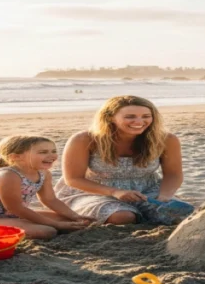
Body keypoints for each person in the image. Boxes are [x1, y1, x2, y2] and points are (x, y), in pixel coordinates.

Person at [54, 95, 193, 225]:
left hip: (147, 191)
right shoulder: (84, 139)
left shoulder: (167, 139)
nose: (139, 122)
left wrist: (164, 196)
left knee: (172, 217)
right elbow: (73, 179)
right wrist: (115, 192)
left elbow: (173, 174)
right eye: (130, 116)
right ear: (110, 118)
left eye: (146, 116)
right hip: (93, 191)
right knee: (123, 217)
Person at [0, 135, 92, 239]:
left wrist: (74, 216)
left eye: (53, 151)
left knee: (69, 220)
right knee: (47, 231)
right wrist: (56, 224)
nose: (51, 156)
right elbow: (16, 208)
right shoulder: (8, 175)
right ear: (16, 157)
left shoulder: (44, 173)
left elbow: (50, 200)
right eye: (43, 152)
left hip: (13, 216)